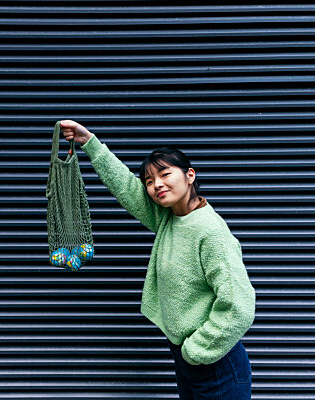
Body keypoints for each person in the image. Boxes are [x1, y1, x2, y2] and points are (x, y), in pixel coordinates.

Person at [59, 120, 256, 400]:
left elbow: (239, 304)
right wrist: (89, 142)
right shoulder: (169, 219)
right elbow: (127, 187)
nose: (157, 185)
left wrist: (196, 350)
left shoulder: (210, 231)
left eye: (165, 174)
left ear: (189, 175)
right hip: (191, 360)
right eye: (150, 181)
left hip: (217, 364)